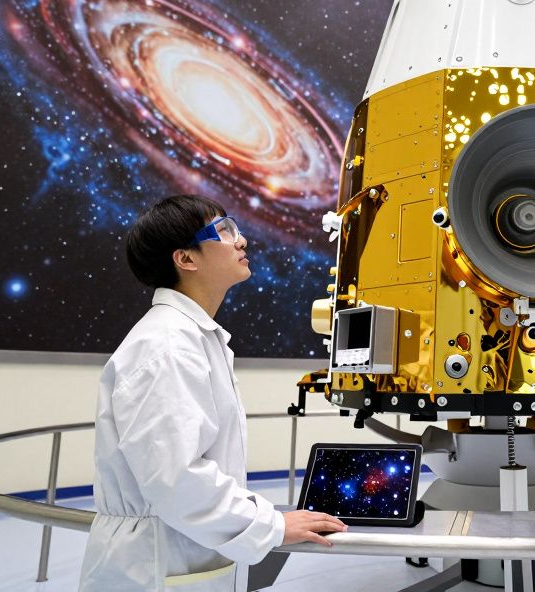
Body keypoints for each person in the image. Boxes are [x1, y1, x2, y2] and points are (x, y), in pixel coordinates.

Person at [79, 194, 346, 591]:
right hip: (155, 563)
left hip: (181, 550)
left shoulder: (192, 337)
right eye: (224, 231)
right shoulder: (167, 346)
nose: (242, 241)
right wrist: (271, 524)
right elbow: (176, 477)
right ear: (186, 259)